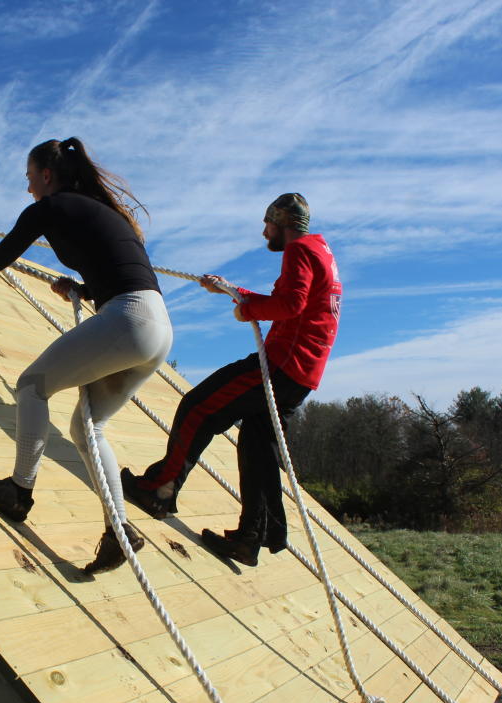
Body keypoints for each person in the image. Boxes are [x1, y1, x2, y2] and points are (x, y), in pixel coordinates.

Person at [0, 138, 173, 574]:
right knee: (88, 427)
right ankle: (119, 532)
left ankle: (19, 491)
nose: (27, 190)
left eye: (28, 178)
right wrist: (81, 290)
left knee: (31, 386)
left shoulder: (49, 208)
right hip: (156, 327)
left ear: (45, 175)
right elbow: (119, 271)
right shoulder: (101, 212)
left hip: (128, 319)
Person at [121, 192, 341, 567]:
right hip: (302, 374)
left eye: (267, 223)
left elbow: (291, 305)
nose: (263, 231)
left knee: (199, 407)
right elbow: (290, 298)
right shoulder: (321, 253)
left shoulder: (299, 250)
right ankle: (250, 537)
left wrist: (248, 311)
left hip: (281, 366)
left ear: (282, 222)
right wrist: (230, 289)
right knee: (256, 448)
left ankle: (160, 489)